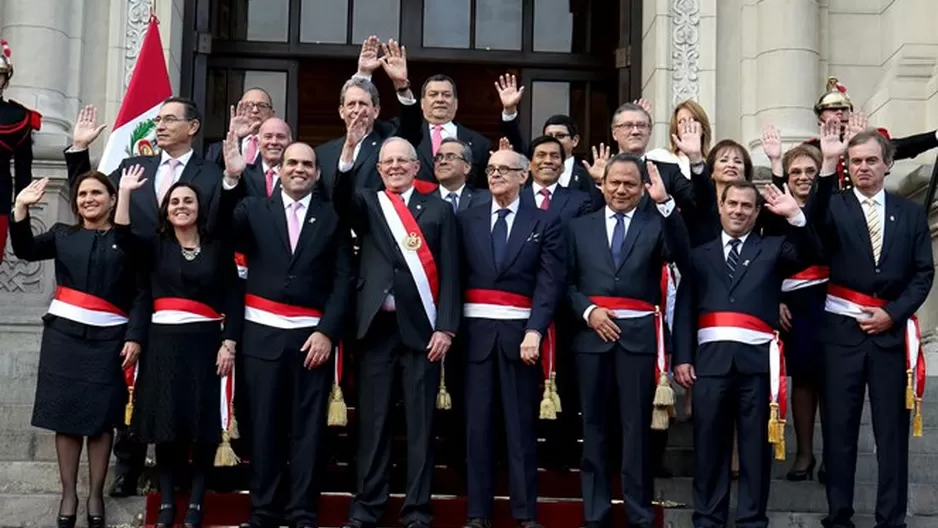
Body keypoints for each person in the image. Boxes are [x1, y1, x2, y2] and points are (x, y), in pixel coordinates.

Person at [66, 98, 226, 497]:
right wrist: (79, 152)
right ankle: (128, 464)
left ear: (193, 127)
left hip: (180, 292)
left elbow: (220, 225)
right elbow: (92, 197)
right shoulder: (136, 166)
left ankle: (188, 477)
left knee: (175, 385)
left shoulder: (211, 174)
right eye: (158, 119)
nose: (160, 125)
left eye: (170, 119)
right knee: (130, 381)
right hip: (125, 288)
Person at [222, 137, 352, 528]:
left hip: (310, 340)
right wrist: (231, 179)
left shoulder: (332, 216)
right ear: (277, 169)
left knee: (307, 433)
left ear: (317, 174)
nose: (299, 169)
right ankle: (263, 511)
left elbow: (345, 278)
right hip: (262, 337)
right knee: (264, 429)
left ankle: (301, 511)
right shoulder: (254, 209)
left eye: (307, 165)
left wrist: (328, 332)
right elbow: (221, 229)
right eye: (292, 162)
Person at [673, 180, 818, 528]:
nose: (738, 211)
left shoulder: (773, 248)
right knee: (709, 449)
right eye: (732, 204)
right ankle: (708, 519)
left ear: (756, 213)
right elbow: (685, 308)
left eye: (746, 206)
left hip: (756, 368)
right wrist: (681, 357)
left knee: (755, 451)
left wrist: (796, 216)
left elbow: (813, 255)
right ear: (720, 207)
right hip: (710, 366)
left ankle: (752, 520)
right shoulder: (699, 254)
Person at [333, 133, 460, 528]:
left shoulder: (438, 210)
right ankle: (368, 506)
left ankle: (418, 510)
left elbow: (454, 274)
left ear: (416, 167)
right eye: (387, 162)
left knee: (421, 426)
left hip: (422, 330)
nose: (394, 167)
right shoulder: (370, 204)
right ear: (378, 168)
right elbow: (340, 199)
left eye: (402, 161)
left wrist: (446, 329)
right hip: (376, 329)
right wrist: (348, 153)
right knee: (373, 423)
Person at [811, 126, 934, 528]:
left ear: (887, 164)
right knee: (840, 431)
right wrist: (828, 164)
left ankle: (890, 519)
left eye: (870, 160)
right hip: (841, 335)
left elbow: (922, 274)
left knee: (892, 434)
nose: (863, 167)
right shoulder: (833, 205)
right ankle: (839, 516)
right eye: (856, 161)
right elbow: (810, 227)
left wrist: (893, 314)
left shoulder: (911, 214)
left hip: (888, 335)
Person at [10, 173, 146, 528]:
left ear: (112, 199)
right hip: (64, 339)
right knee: (66, 419)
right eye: (82, 194)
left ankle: (95, 494)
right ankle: (68, 494)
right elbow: (24, 250)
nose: (88, 198)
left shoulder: (127, 241)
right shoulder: (62, 234)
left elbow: (140, 293)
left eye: (97, 192)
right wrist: (20, 208)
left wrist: (135, 336)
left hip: (110, 341)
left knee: (103, 423)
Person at [114, 166, 242, 528]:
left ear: (199, 208)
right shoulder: (154, 246)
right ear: (165, 210)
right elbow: (122, 236)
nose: (181, 206)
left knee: (202, 427)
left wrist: (229, 342)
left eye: (188, 200)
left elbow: (234, 297)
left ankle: (197, 503)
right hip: (163, 346)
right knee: (167, 428)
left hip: (206, 345)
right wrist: (124, 192)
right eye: (174, 202)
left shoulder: (217, 248)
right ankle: (168, 502)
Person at [566, 155, 689, 528]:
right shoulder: (578, 228)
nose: (621, 190)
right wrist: (589, 312)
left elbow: (682, 256)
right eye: (614, 183)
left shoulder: (656, 225)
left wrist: (666, 205)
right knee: (595, 428)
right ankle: (596, 513)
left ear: (641, 190)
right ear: (602, 185)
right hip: (591, 338)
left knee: (636, 430)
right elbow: (565, 283)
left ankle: (639, 513)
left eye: (630, 185)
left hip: (638, 340)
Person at [458, 148, 564, 528]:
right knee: (477, 429)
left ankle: (525, 513)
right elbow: (455, 279)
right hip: (475, 338)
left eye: (505, 169)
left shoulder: (544, 222)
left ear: (525, 176)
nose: (496, 174)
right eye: (491, 169)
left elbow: (549, 283)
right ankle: (477, 512)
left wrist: (535, 330)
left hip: (522, 338)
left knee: (521, 429)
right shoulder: (466, 219)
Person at [768, 143, 828, 481]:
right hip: (794, 304)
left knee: (832, 381)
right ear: (787, 179)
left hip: (829, 299)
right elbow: (767, 259)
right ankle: (804, 453)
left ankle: (835, 455)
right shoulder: (773, 213)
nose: (803, 177)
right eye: (796, 172)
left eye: (810, 171)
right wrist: (775, 299)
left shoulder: (830, 205)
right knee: (804, 379)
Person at [318, 37, 426, 195]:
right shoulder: (322, 154)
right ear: (341, 112)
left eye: (363, 104)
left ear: (375, 111)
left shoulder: (388, 142)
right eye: (351, 104)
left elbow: (411, 127)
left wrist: (401, 86)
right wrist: (363, 74)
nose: (357, 110)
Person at [495, 73, 603, 210]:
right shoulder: (530, 165)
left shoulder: (588, 175)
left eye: (560, 136)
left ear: (575, 141)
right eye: (549, 135)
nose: (553, 140)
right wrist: (509, 111)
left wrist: (600, 181)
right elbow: (513, 138)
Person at [0, 37, 41, 264]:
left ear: (5, 80)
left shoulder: (19, 117)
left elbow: (24, 169)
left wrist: (21, 207)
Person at [205, 87, 276, 167]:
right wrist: (234, 136)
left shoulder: (278, 147)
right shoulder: (215, 150)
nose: (255, 110)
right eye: (249, 105)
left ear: (272, 114)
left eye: (262, 106)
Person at [646, 99, 713, 180]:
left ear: (703, 128)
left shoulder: (713, 164)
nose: (688, 125)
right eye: (681, 121)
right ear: (676, 130)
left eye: (694, 120)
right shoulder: (659, 156)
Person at [433, 137, 491, 211]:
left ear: (466, 167)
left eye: (450, 157)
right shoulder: (424, 202)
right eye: (439, 157)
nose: (442, 162)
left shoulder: (486, 199)